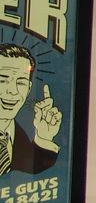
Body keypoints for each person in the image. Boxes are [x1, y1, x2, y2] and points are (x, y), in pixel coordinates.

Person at [0, 44, 62, 177]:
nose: (13, 91)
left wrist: (44, 137)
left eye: (21, 82)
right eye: (2, 80)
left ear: (28, 89)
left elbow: (28, 174)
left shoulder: (20, 136)